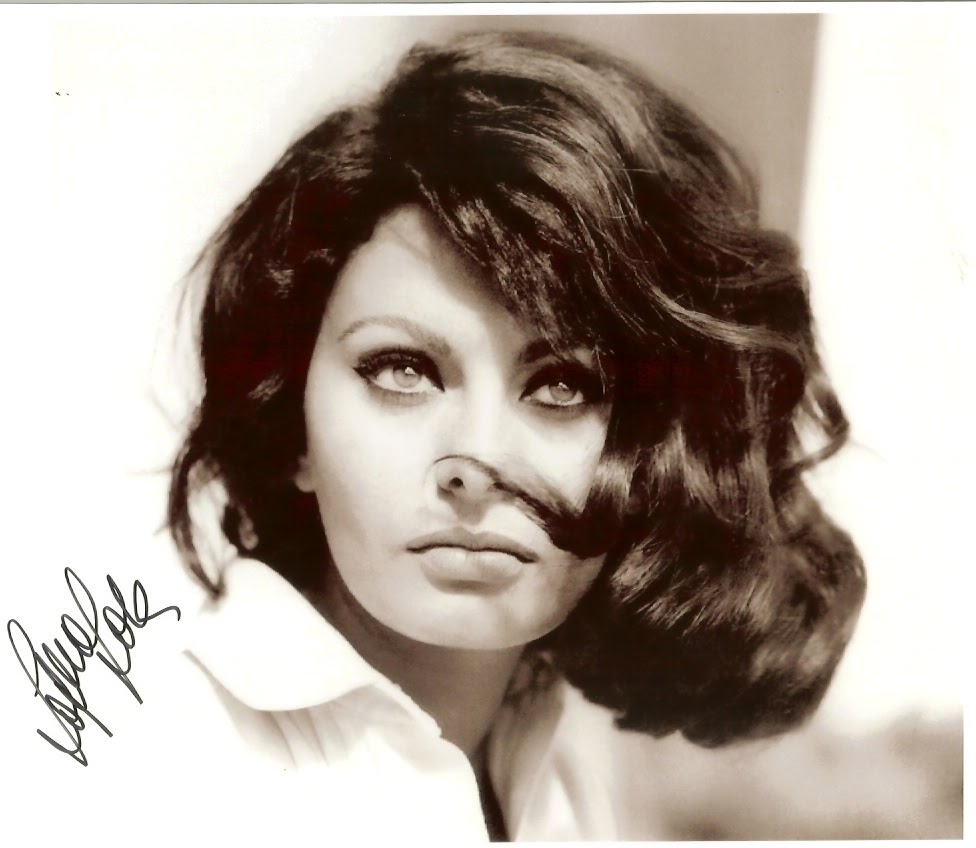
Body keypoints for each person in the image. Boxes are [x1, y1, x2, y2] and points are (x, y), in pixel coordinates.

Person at [161, 29, 865, 841]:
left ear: (656, 448)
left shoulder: (562, 768)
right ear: (291, 425)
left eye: (562, 386)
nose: (479, 460)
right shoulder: (157, 761)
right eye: (402, 370)